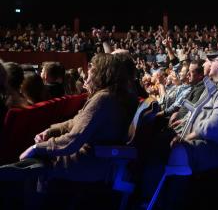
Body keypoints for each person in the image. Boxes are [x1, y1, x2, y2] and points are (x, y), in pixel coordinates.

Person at [1, 53, 138, 185]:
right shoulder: (109, 96)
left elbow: (72, 141)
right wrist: (50, 131)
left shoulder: (103, 99)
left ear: (101, 74)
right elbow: (76, 121)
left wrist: (37, 147)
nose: (86, 75)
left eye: (91, 70)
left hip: (87, 162)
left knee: (30, 162)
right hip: (94, 160)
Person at [157, 49, 218, 209]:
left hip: (217, 147)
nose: (208, 63)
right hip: (204, 141)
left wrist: (186, 138)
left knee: (178, 150)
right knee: (160, 142)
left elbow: (213, 127)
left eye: (212, 60)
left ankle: (173, 203)